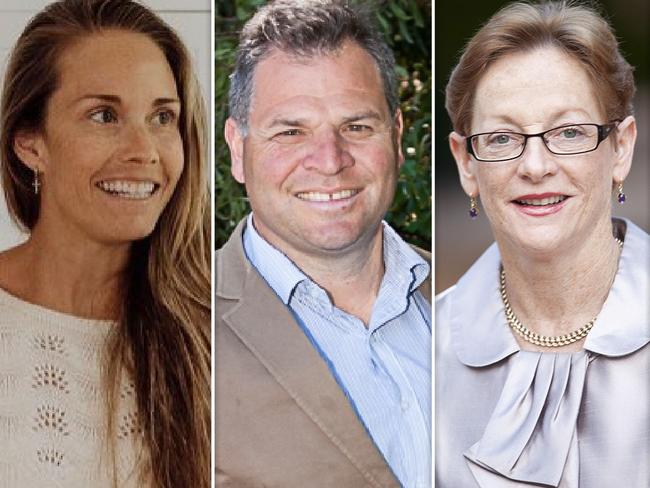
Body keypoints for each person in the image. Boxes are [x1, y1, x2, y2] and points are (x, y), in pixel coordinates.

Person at [216, 1, 431, 486]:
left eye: (356, 127)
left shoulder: (480, 297)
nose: (330, 160)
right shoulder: (175, 321)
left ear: (396, 137)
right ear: (238, 149)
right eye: (291, 131)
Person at [437, 1, 648, 487]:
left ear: (621, 148)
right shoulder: (426, 352)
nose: (534, 166)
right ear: (467, 163)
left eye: (568, 132)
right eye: (502, 138)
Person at [0, 0, 210, 486]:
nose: (143, 151)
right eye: (103, 115)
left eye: (162, 118)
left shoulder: (209, 336)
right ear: (30, 143)